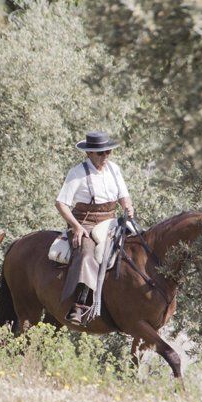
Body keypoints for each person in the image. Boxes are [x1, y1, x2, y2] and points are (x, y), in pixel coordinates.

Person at [55, 131, 135, 324]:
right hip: (86, 222)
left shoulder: (114, 169)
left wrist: (128, 207)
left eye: (108, 152)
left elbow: (124, 196)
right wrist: (76, 227)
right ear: (89, 153)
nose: (105, 156)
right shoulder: (77, 173)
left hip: (111, 220)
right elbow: (61, 203)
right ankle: (79, 304)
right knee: (87, 254)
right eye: (101, 153)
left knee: (138, 244)